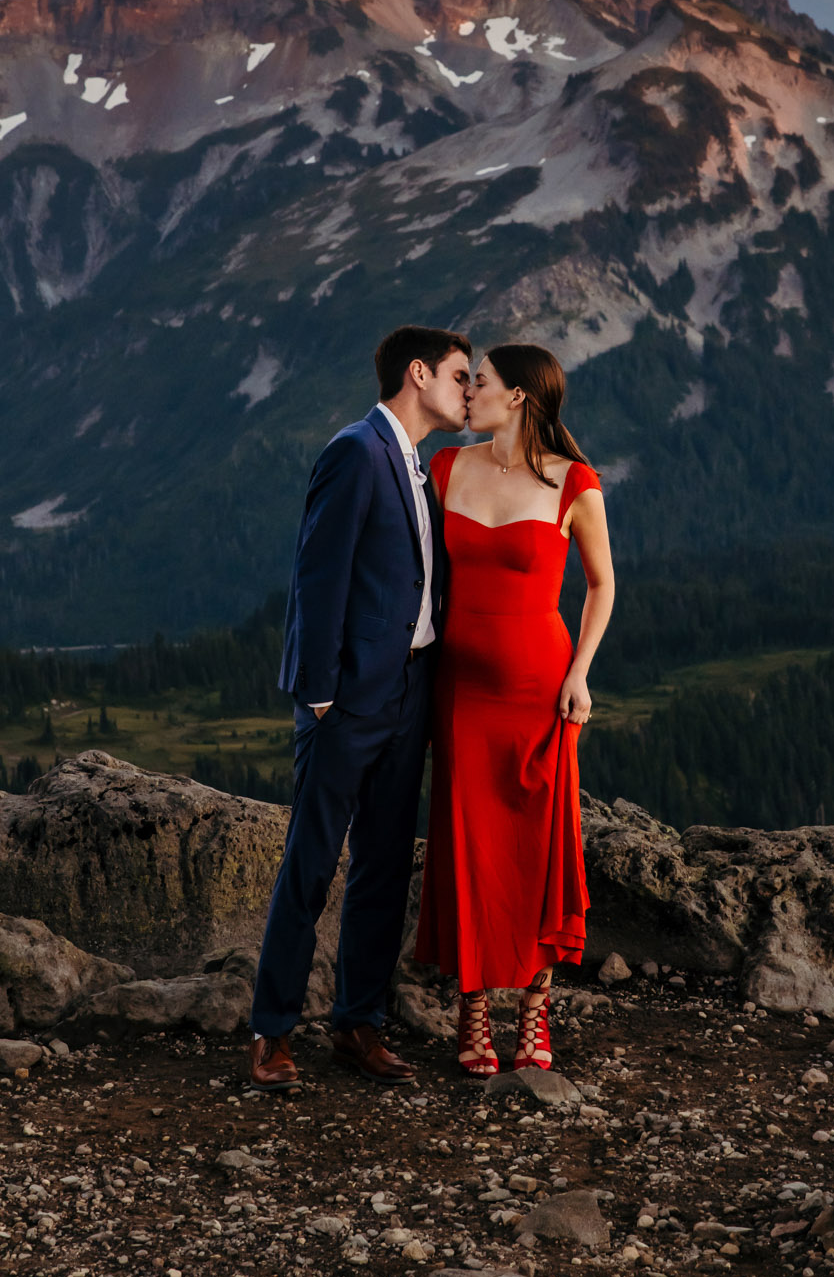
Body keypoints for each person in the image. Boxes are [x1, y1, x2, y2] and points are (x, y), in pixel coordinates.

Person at [248, 323, 472, 1093]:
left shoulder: (419, 463)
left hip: (409, 693)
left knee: (383, 865)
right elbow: (317, 576)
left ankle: (358, 1023)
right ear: (417, 374)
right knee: (310, 866)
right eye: (457, 375)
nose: (467, 390)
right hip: (346, 699)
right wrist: (320, 696)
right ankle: (271, 1034)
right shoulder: (355, 450)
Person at [413, 341, 615, 1077]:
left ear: (520, 397)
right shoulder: (445, 469)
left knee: (536, 846)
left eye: (481, 382)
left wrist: (581, 674)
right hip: (460, 690)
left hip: (540, 689)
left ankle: (533, 1010)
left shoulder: (573, 482)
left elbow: (600, 586)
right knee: (468, 846)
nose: (467, 392)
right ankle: (471, 1009)